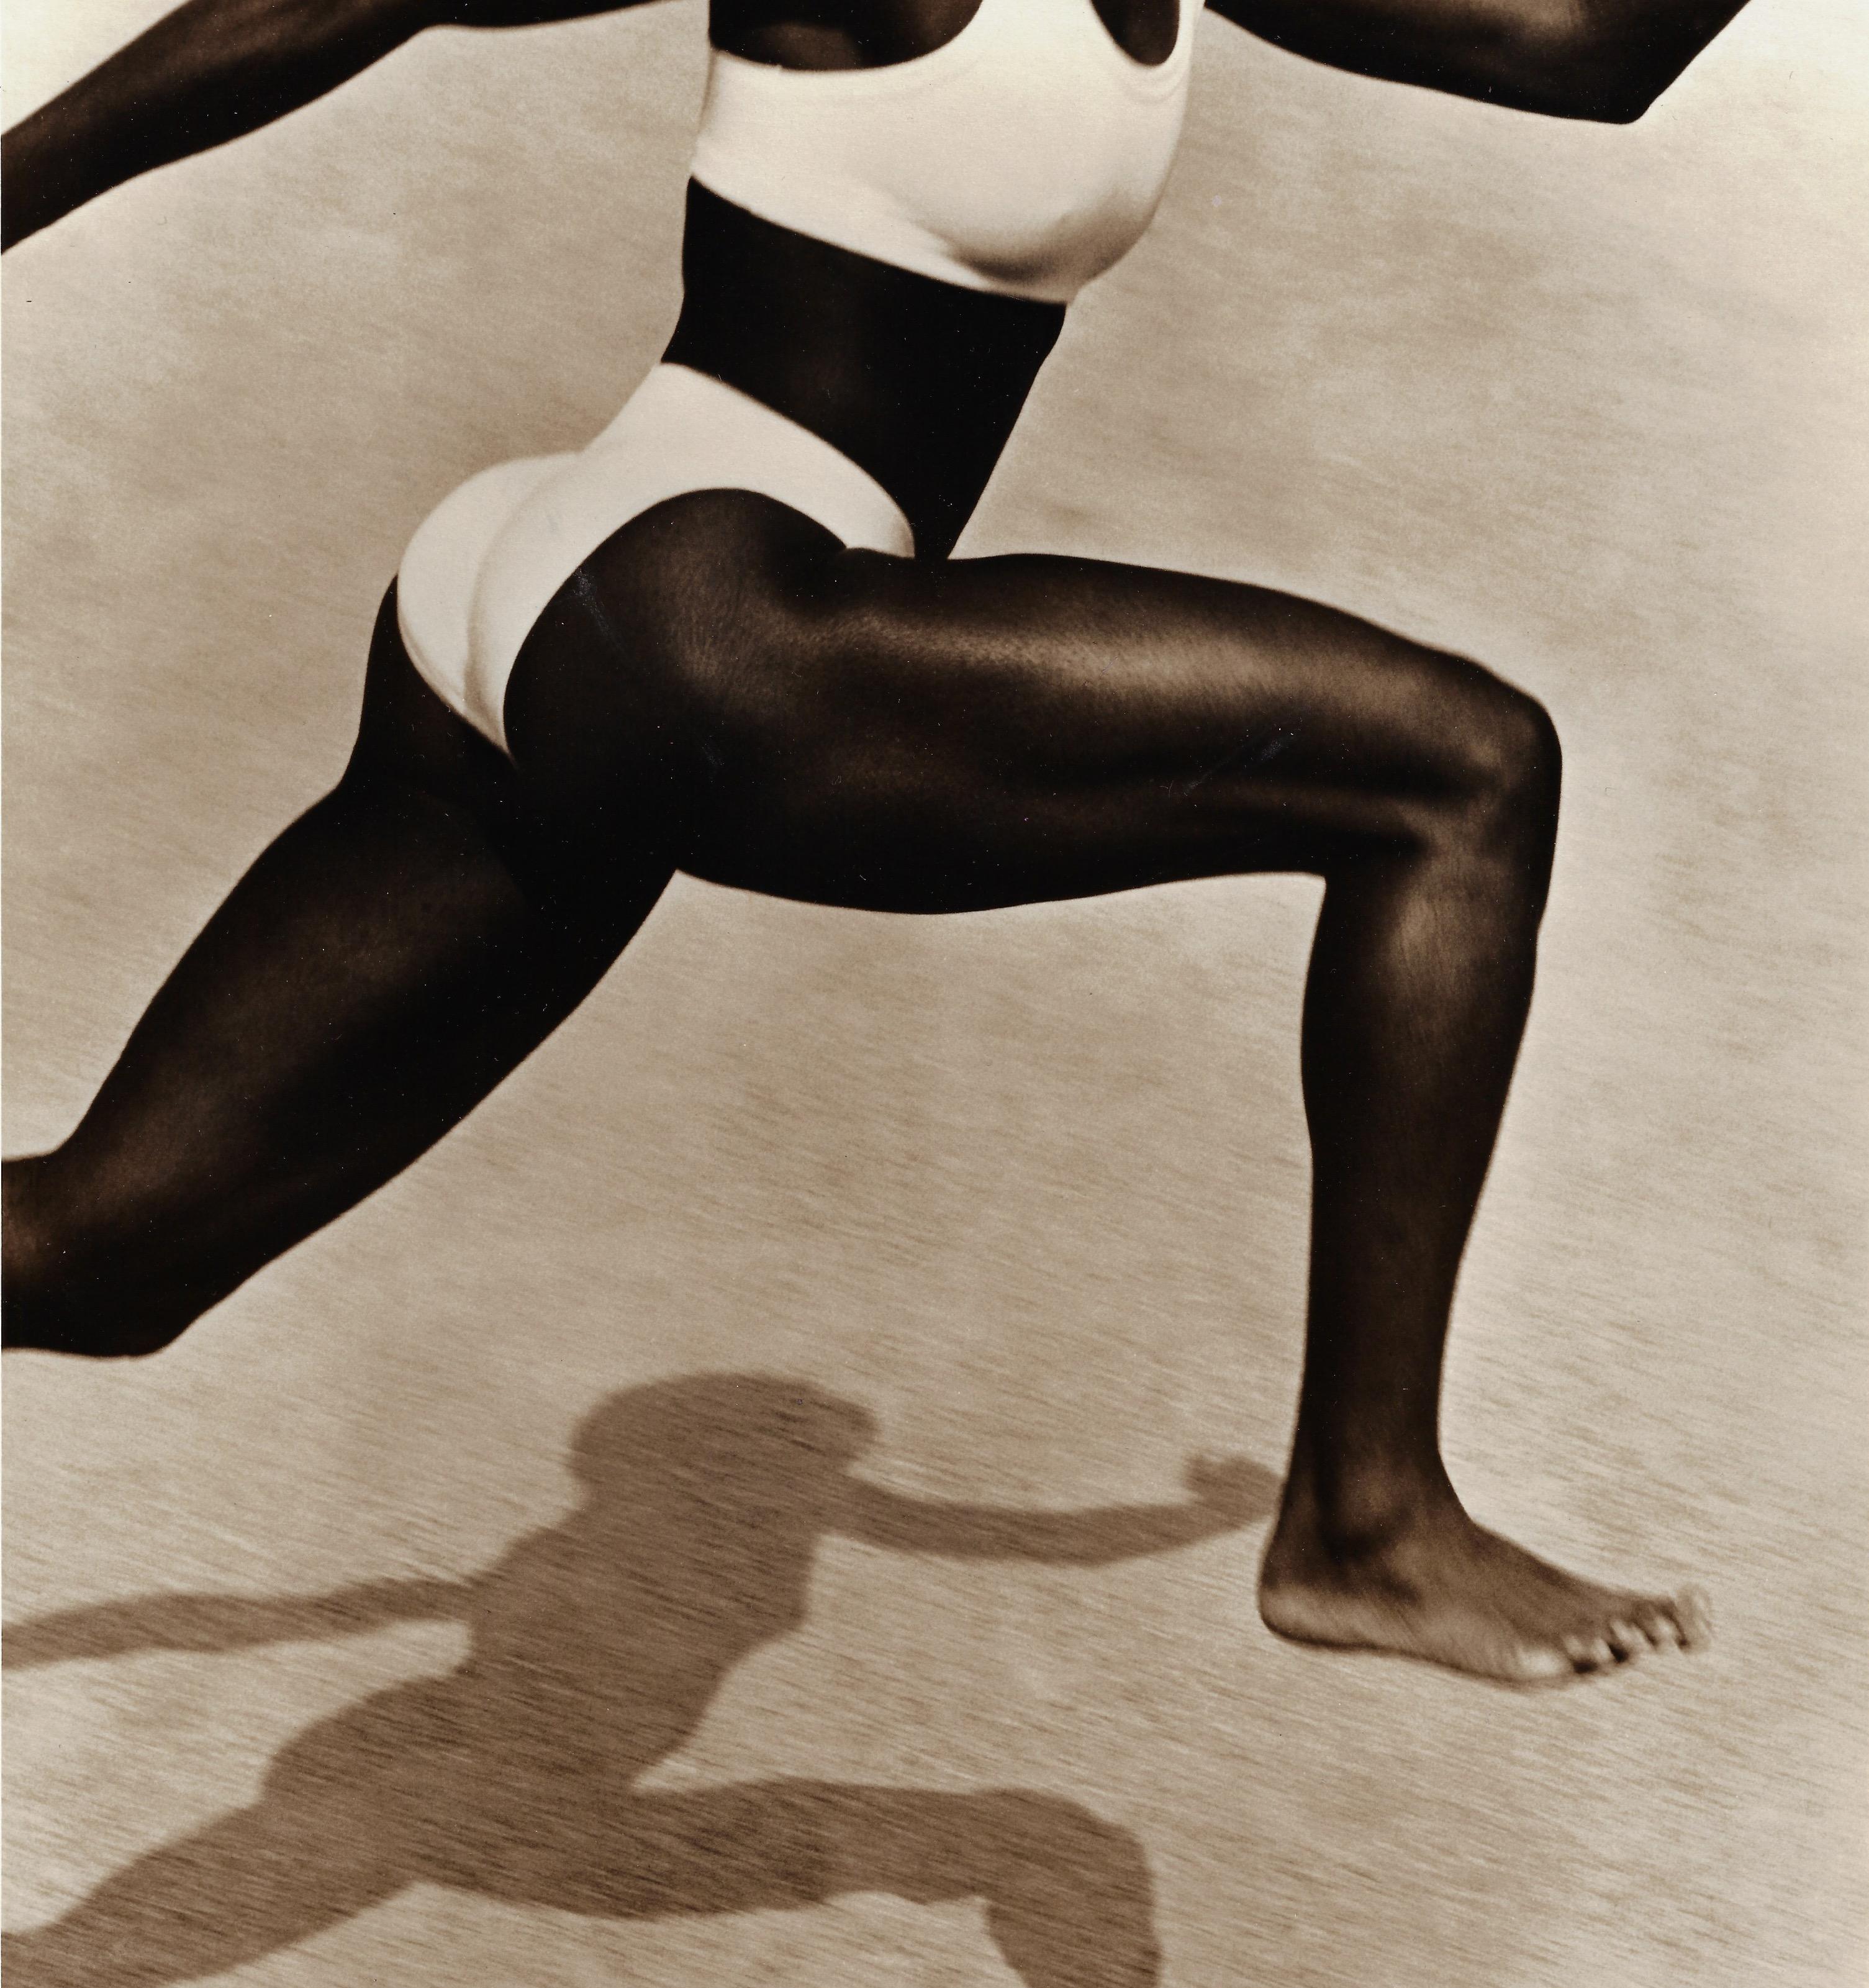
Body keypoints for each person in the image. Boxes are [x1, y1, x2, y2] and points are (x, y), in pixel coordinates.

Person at [2, 0, 1744, 1684]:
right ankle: (1364, 1516)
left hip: (569, 606)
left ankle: (1363, 1514)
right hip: (691, 606)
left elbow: (1584, 47)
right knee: (1459, 773)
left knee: (98, 1258)